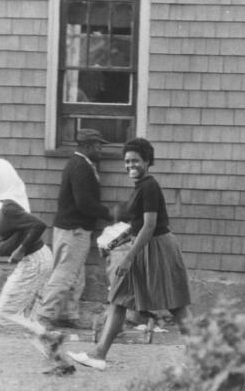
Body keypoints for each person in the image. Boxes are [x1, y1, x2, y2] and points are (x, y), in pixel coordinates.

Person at [68, 138, 192, 370]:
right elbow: (136, 226)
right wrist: (115, 242)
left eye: (135, 161)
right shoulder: (140, 187)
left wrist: (127, 257)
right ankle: (98, 355)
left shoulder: (149, 186)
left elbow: (149, 225)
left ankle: (199, 357)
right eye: (127, 162)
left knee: (177, 305)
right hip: (142, 247)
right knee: (119, 299)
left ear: (147, 161)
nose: (130, 166)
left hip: (159, 248)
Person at [0, 158, 65, 361]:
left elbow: (39, 225)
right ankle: (59, 363)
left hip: (34, 261)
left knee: (1, 314)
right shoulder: (6, 205)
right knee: (27, 320)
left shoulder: (9, 208)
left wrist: (20, 249)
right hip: (39, 259)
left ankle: (50, 336)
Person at [35, 128, 113, 329]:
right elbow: (84, 203)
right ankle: (45, 315)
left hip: (72, 228)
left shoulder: (80, 164)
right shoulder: (80, 167)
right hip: (74, 229)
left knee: (75, 274)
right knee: (66, 273)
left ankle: (67, 314)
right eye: (97, 146)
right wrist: (110, 214)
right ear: (87, 146)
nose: (100, 150)